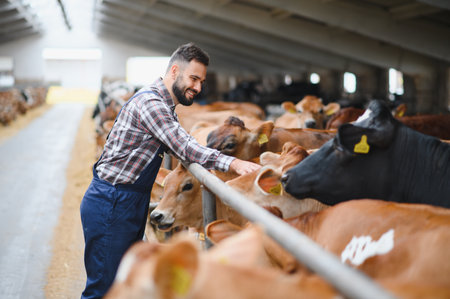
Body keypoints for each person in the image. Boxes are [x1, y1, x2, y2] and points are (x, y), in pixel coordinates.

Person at [79, 42, 261, 299]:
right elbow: (186, 148)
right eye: (194, 78)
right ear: (174, 71)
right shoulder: (152, 104)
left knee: (124, 283)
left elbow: (180, 147)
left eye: (201, 82)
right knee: (104, 288)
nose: (198, 87)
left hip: (126, 200)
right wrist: (233, 163)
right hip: (113, 201)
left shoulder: (164, 106)